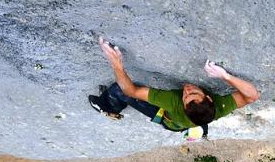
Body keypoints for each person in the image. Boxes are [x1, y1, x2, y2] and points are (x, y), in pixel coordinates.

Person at [89, 37, 259, 136]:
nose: (187, 89)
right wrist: (225, 76)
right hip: (187, 123)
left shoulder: (171, 101)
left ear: (183, 106)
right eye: (193, 92)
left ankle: (109, 108)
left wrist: (117, 65)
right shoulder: (219, 107)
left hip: (166, 118)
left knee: (118, 90)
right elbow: (252, 96)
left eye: (186, 96)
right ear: (209, 99)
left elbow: (131, 90)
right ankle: (191, 129)